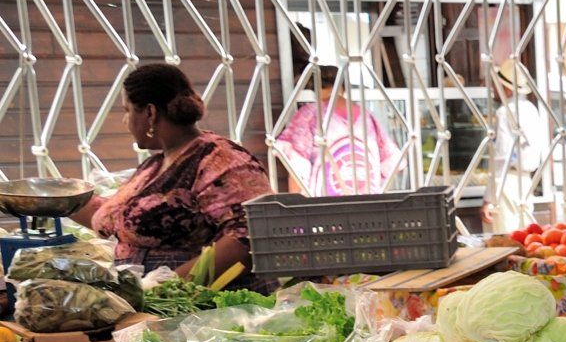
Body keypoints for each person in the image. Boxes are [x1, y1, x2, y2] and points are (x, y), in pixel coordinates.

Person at [73, 63, 272, 281]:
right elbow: (115, 218)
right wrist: (56, 200)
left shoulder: (222, 160)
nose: (125, 121)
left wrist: (169, 286)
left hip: (201, 305)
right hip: (148, 297)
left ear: (150, 112)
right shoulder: (155, 166)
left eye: (127, 111)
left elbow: (247, 237)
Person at [273, 65, 398, 196]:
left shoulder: (310, 114)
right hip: (366, 203)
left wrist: (295, 207)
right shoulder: (367, 116)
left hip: (327, 205)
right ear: (344, 87)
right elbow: (391, 163)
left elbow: (296, 167)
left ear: (315, 89)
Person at [489, 59, 552, 227]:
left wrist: (489, 198)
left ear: (507, 90)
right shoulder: (530, 108)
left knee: (507, 240)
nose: (493, 89)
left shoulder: (504, 112)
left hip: (507, 181)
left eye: (497, 85)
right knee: (525, 236)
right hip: (526, 180)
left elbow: (503, 155)